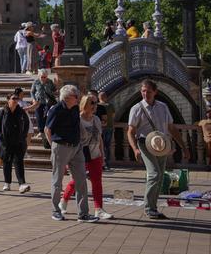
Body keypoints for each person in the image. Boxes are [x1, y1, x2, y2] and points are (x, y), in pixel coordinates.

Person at [126, 79, 188, 220]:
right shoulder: (137, 108)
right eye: (143, 91)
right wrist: (135, 149)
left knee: (159, 176)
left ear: (155, 92)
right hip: (145, 143)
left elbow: (172, 128)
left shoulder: (163, 107)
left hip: (161, 144)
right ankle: (148, 208)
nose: (145, 94)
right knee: (154, 174)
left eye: (148, 91)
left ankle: (153, 208)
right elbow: (130, 131)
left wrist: (184, 147)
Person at [46, 84, 95, 222]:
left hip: (76, 147)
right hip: (60, 147)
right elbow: (47, 130)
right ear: (67, 97)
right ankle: (56, 210)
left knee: (81, 180)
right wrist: (54, 148)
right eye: (76, 96)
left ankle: (83, 213)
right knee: (57, 181)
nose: (78, 98)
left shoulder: (74, 108)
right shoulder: (56, 110)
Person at [61, 95, 113, 220]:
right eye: (92, 103)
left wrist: (102, 155)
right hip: (80, 155)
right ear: (84, 104)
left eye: (95, 103)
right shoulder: (77, 119)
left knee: (97, 182)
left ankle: (98, 209)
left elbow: (99, 138)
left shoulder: (96, 119)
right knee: (77, 181)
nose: (95, 105)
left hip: (95, 155)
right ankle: (63, 201)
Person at [0, 88, 31, 193]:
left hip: (18, 141)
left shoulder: (20, 111)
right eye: (13, 98)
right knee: (7, 162)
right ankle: (7, 183)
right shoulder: (3, 112)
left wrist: (24, 135)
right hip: (6, 142)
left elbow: (27, 123)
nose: (15, 100)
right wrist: (0, 137)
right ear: (8, 100)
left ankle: (22, 184)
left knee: (19, 162)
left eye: (16, 98)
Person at [29, 68, 57, 143]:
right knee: (38, 116)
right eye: (42, 77)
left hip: (48, 102)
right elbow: (32, 92)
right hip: (38, 102)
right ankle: (41, 131)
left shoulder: (50, 82)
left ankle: (46, 130)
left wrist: (56, 84)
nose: (43, 78)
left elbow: (54, 90)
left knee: (47, 116)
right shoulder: (36, 82)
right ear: (39, 76)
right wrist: (34, 99)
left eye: (45, 77)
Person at [95, 90, 115, 172]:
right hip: (109, 127)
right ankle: (107, 163)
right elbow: (113, 116)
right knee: (107, 146)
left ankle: (100, 163)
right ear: (105, 97)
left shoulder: (97, 106)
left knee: (99, 146)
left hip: (100, 128)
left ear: (99, 98)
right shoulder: (110, 106)